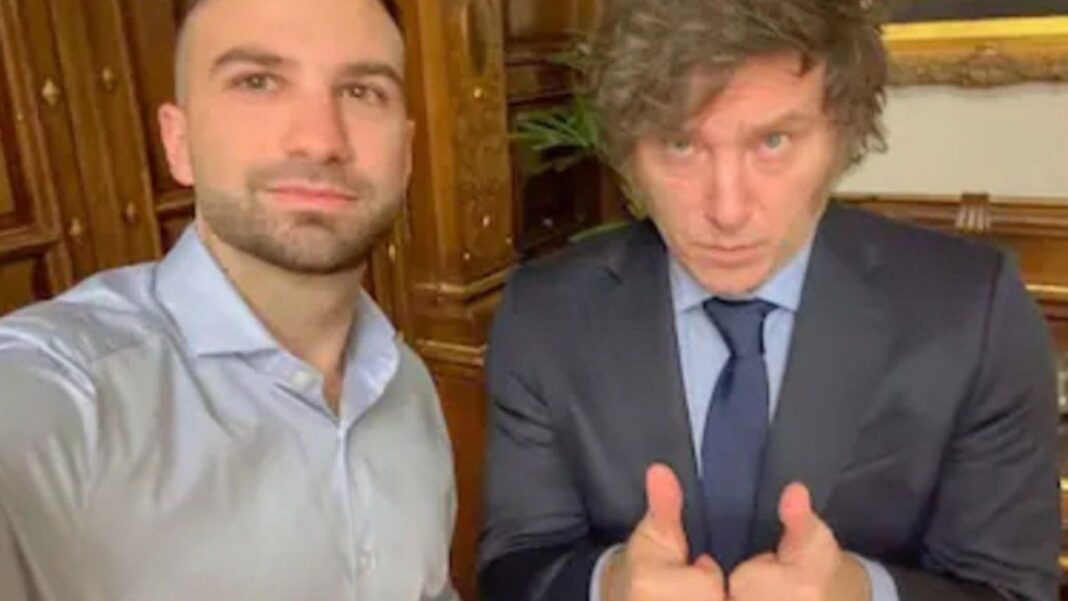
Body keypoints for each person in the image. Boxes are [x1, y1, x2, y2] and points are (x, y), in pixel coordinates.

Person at [478, 0, 1060, 600]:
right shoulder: (544, 316)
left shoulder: (973, 311)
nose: (727, 210)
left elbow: (1011, 589)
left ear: (841, 135)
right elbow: (515, 569)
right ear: (630, 154)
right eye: (680, 144)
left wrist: (862, 593)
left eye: (773, 141)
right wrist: (607, 585)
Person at [0, 0, 459, 599]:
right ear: (179, 141)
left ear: (406, 154)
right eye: (258, 81)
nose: (319, 140)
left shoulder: (406, 385)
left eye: (361, 91)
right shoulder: (69, 396)